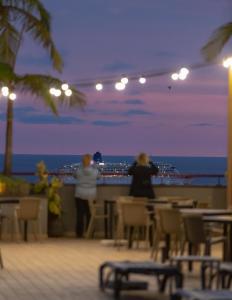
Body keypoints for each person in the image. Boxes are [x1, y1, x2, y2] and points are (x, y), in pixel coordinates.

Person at [75, 154, 99, 237]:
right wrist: (94, 166)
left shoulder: (79, 170)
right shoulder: (95, 171)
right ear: (90, 161)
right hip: (91, 195)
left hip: (79, 193)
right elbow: (98, 177)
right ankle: (90, 233)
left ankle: (79, 233)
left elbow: (74, 175)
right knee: (90, 215)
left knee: (80, 214)